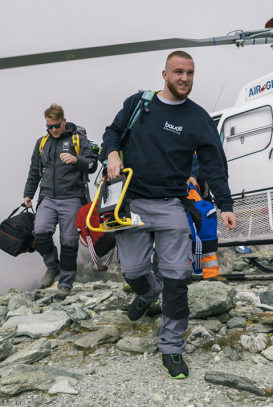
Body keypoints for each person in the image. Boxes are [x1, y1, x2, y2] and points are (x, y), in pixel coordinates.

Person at [102, 51, 237, 380]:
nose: (185, 79)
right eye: (178, 72)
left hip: (171, 205)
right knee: (133, 270)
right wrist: (113, 155)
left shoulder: (198, 118)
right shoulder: (140, 103)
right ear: (165, 73)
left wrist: (226, 204)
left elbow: (214, 165)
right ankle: (148, 293)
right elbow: (112, 133)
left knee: (177, 280)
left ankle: (172, 347)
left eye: (190, 73)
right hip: (130, 202)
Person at [23, 103, 98, 298]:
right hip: (47, 197)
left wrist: (76, 160)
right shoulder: (42, 142)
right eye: (49, 126)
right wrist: (28, 194)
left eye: (57, 125)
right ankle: (52, 266)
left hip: (73, 198)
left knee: (69, 242)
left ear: (64, 121)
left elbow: (92, 165)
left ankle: (65, 284)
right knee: (39, 234)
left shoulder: (78, 140)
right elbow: (34, 171)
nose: (54, 130)